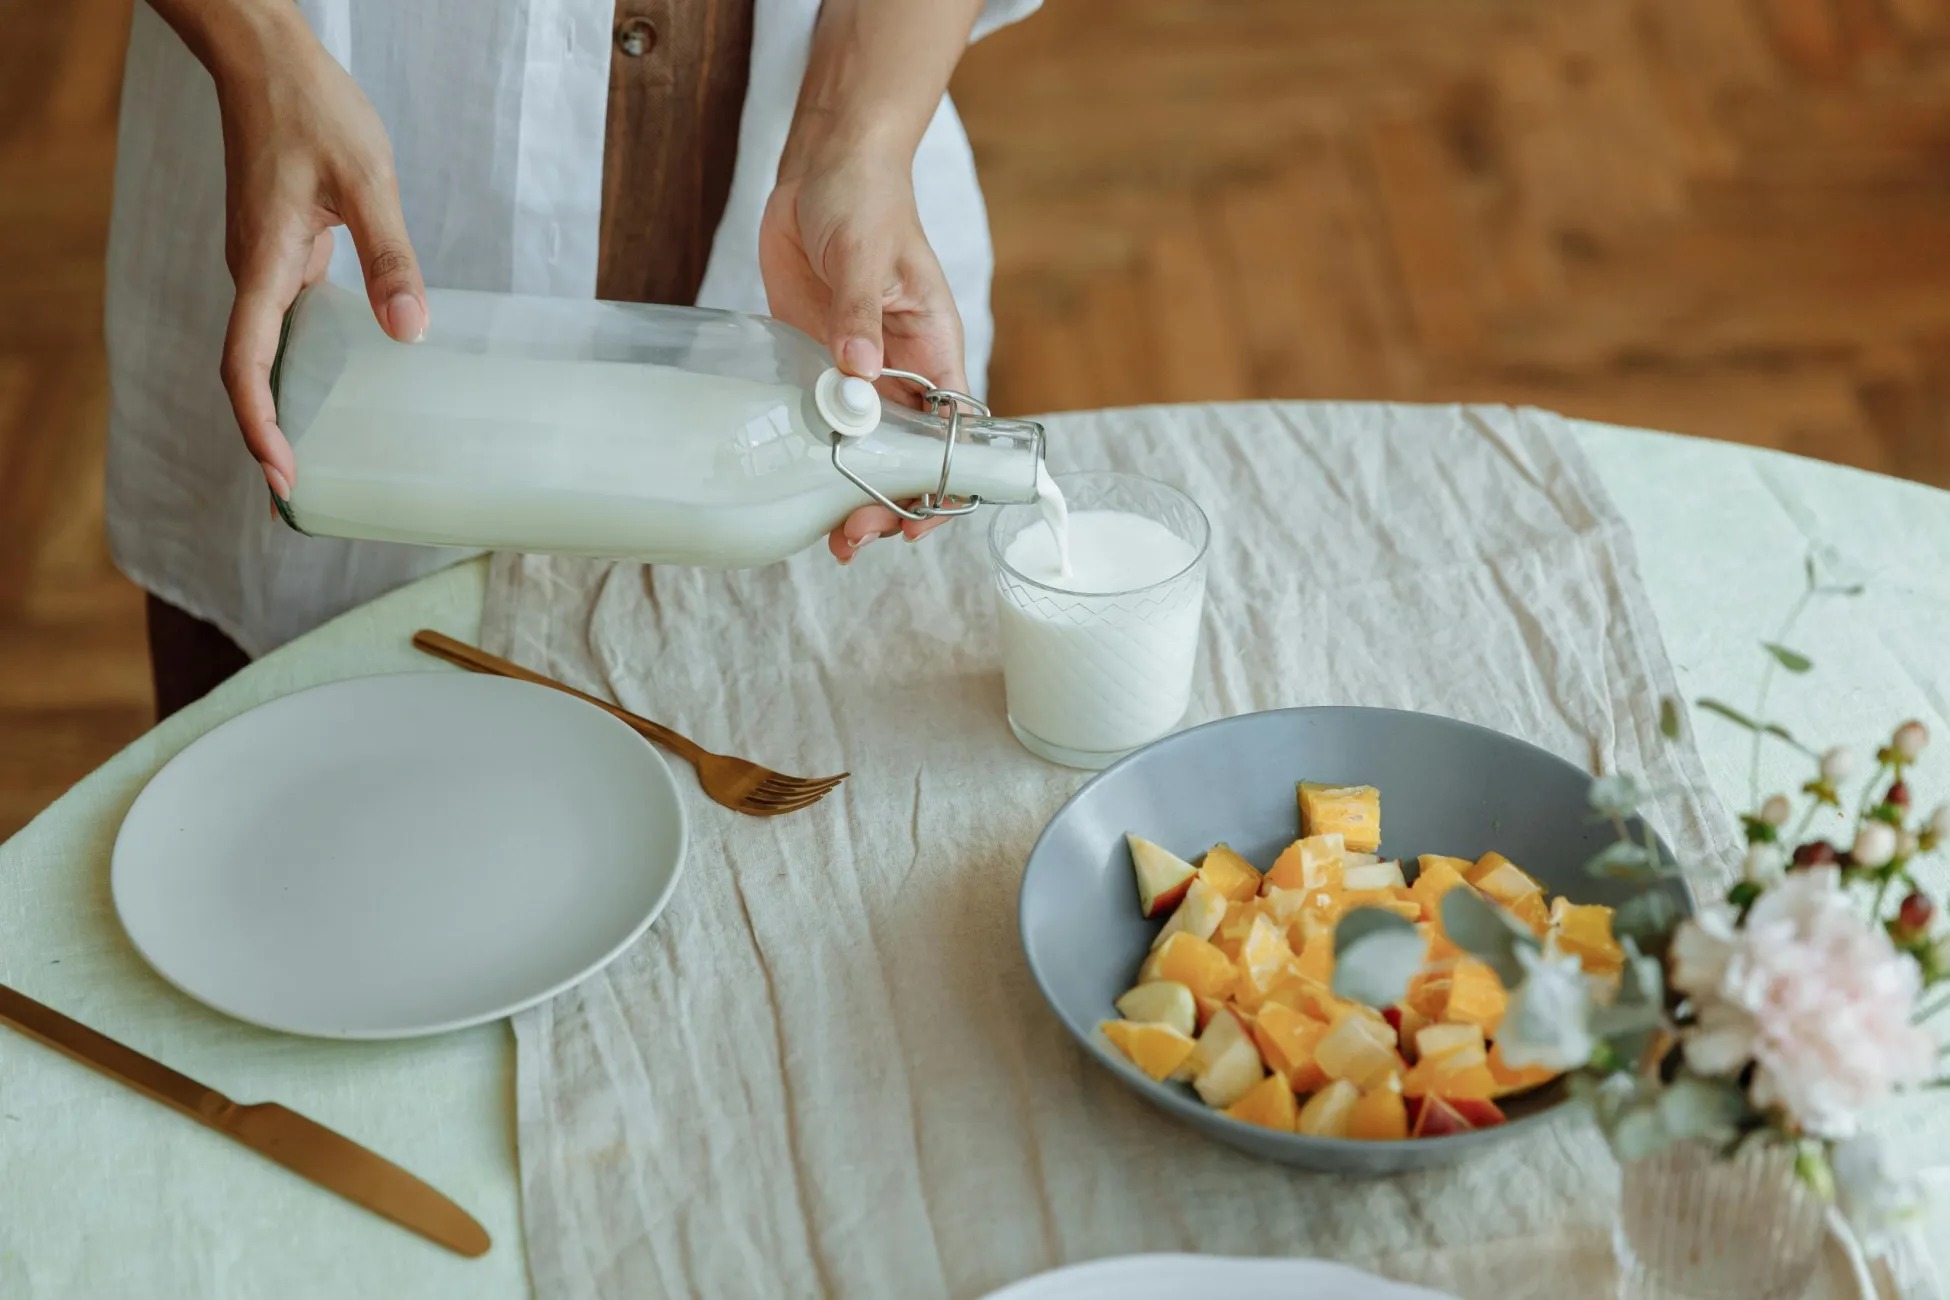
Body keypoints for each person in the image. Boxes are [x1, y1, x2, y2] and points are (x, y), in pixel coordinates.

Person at [110, 0, 1038, 719]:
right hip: (323, 157)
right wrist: (260, 47)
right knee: (291, 785)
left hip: (786, 219)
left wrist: (854, 135)